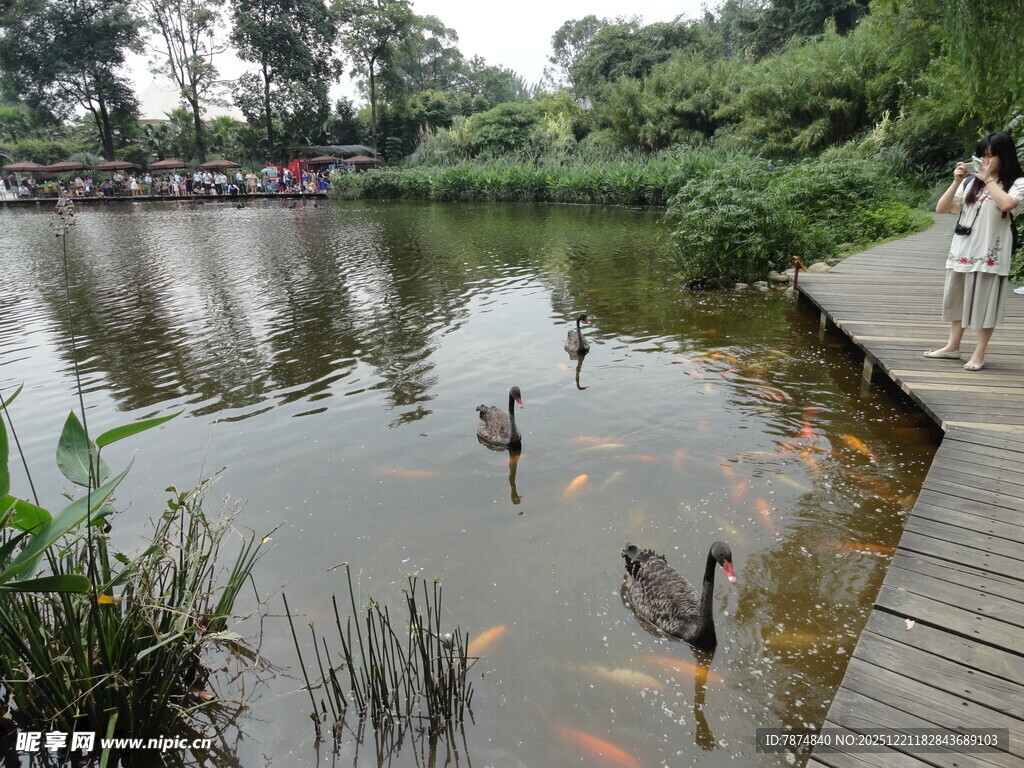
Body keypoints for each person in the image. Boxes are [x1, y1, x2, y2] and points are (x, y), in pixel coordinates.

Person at [927, 131, 1024, 371]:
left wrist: (989, 179)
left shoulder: (1017, 183)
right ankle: (952, 346)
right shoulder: (971, 183)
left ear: (1005, 156)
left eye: (991, 156)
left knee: (985, 304)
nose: (985, 161)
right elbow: (941, 208)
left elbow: (1007, 205)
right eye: (982, 156)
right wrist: (957, 180)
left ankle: (979, 354)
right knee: (956, 299)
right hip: (963, 250)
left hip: (990, 253)